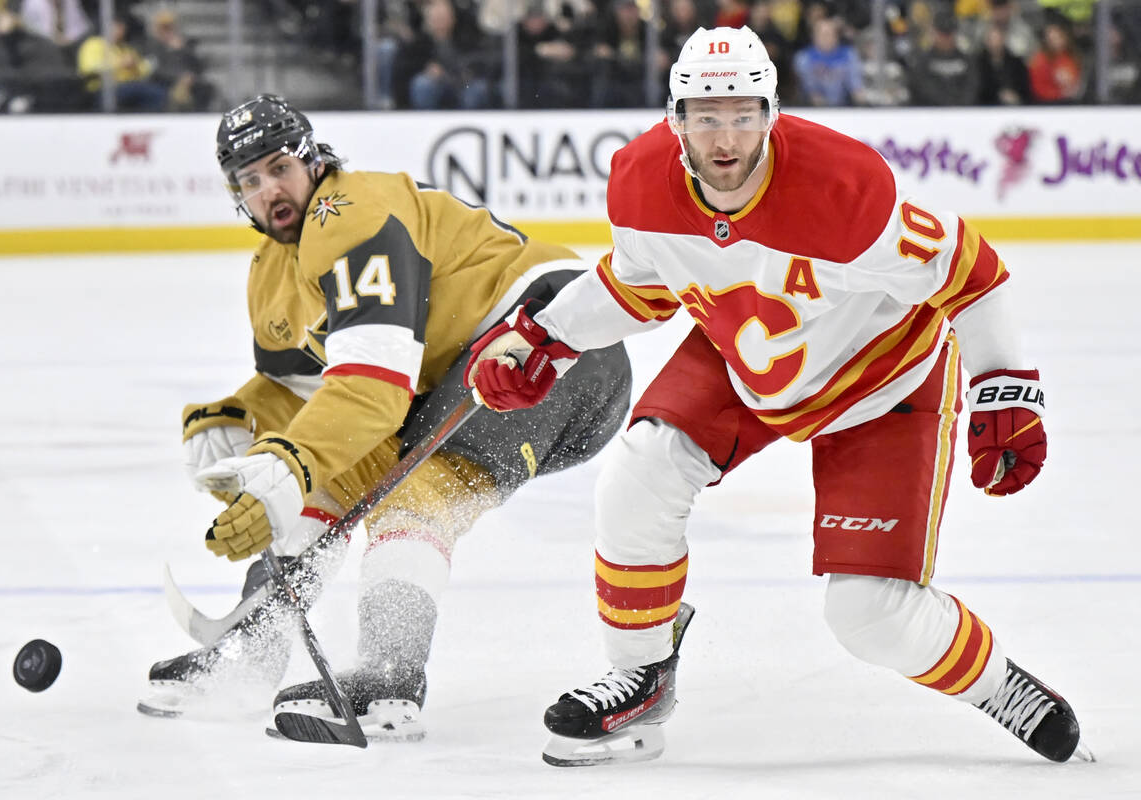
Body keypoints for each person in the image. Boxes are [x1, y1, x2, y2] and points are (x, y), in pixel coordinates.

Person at [466, 26, 1091, 767]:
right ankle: (642, 674)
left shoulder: (845, 186)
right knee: (640, 471)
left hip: (881, 383)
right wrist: (547, 336)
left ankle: (996, 686)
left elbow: (974, 273)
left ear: (771, 115)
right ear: (675, 121)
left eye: (741, 114)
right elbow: (639, 288)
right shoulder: (639, 180)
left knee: (868, 618)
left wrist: (1003, 387)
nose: (724, 136)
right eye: (705, 116)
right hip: (744, 354)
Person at [139, 94, 631, 740]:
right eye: (250, 181)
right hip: (461, 372)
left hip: (556, 343)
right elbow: (321, 387)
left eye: (279, 167)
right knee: (329, 472)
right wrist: (244, 410)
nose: (270, 191)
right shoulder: (269, 274)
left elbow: (374, 388)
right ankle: (255, 647)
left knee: (421, 483)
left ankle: (390, 680)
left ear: (311, 159)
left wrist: (289, 457)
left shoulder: (351, 213)